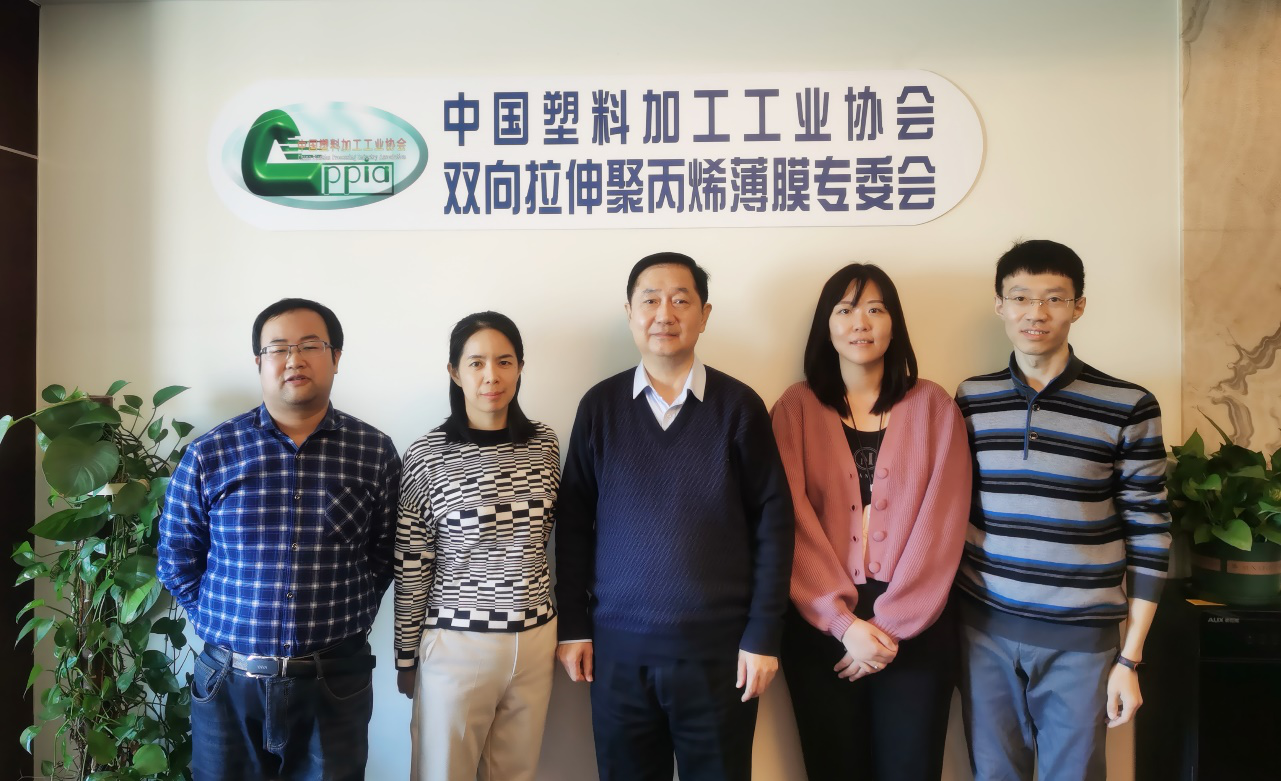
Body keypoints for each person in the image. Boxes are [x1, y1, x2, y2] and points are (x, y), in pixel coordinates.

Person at [555, 251, 794, 781]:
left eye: (681, 300)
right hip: (617, 653)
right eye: (651, 300)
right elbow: (572, 522)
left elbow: (774, 524)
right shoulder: (599, 407)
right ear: (629, 312)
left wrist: (763, 634)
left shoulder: (739, 407)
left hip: (719, 655)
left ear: (704, 315)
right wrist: (572, 625)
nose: (664, 313)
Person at [158, 298, 401, 781]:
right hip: (227, 682)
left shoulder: (373, 451)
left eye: (310, 345)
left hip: (335, 681)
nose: (294, 359)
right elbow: (177, 556)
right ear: (259, 362)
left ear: (336, 357)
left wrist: (345, 621)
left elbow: (385, 551)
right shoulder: (211, 453)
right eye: (278, 348)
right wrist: (218, 621)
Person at [954, 240, 1171, 781]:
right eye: (1020, 297)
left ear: (1079, 306)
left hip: (1082, 639)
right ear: (1000, 305)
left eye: (1054, 298)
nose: (1036, 312)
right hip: (984, 630)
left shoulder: (1128, 405)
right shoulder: (971, 399)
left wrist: (1130, 658)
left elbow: (1150, 532)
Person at [771, 263, 972, 780]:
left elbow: (943, 523)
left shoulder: (933, 406)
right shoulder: (794, 407)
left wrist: (888, 627)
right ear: (827, 325)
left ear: (894, 323)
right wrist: (844, 625)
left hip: (919, 624)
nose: (861, 322)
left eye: (875, 309)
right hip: (820, 624)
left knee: (911, 767)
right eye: (846, 310)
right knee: (833, 767)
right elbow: (788, 522)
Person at [393, 312, 560, 781]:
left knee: (517, 773)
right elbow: (412, 563)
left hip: (535, 638)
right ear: (454, 372)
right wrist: (406, 657)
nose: (492, 376)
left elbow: (545, 540)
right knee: (442, 773)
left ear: (520, 367)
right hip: (457, 643)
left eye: (505, 361)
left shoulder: (545, 445)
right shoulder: (427, 455)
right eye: (476, 363)